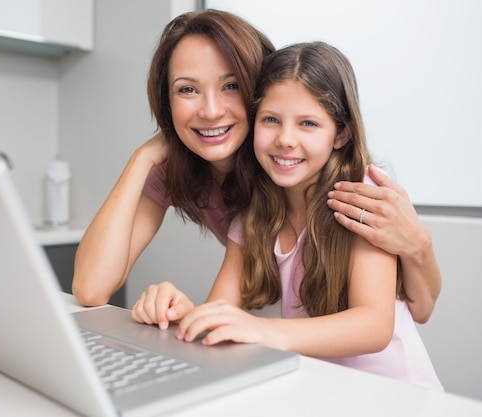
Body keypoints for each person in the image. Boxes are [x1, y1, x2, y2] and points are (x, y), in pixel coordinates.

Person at [72, 9, 441, 324]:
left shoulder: (293, 165)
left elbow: (413, 311)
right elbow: (91, 287)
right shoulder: (182, 168)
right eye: (187, 90)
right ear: (166, 102)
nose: (211, 110)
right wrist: (142, 158)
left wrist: (419, 247)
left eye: (231, 85)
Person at [132, 42, 443, 390]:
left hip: (398, 396)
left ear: (342, 133)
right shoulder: (256, 208)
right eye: (271, 120)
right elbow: (222, 311)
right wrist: (181, 313)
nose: (285, 139)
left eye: (308, 123)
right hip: (325, 391)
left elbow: (373, 326)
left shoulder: (362, 195)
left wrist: (261, 330)